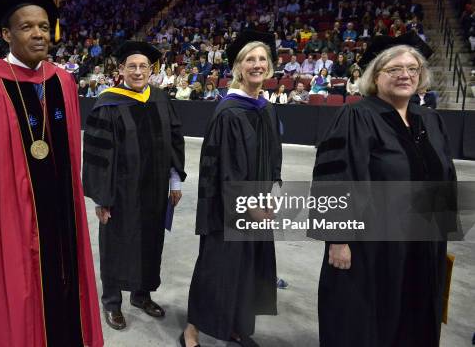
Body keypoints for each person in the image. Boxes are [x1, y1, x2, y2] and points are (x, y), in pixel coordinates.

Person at [0, 0, 103, 347]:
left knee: (66, 284)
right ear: (6, 34)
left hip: (63, 212)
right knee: (21, 288)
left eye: (44, 27)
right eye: (27, 26)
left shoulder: (62, 81)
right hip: (14, 213)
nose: (38, 34)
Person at [310, 33, 456, 347]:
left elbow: (446, 178)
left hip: (423, 243)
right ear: (376, 76)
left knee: (416, 316)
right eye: (394, 69)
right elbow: (335, 177)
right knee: (367, 320)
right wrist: (337, 238)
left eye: (413, 68)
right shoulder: (356, 116)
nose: (406, 75)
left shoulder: (430, 121)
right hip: (371, 247)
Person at [182, 30, 282, 347]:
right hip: (227, 209)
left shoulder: (266, 109)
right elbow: (222, 167)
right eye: (249, 59)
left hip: (259, 206)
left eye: (262, 59)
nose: (257, 64)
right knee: (216, 267)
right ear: (238, 67)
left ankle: (236, 325)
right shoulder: (229, 112)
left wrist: (274, 192)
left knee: (246, 267)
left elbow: (273, 158)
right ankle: (192, 330)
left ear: (270, 66)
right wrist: (247, 204)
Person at [82, 40, 186, 331]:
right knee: (116, 244)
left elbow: (175, 142)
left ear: (151, 70)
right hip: (120, 192)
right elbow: (97, 156)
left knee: (151, 243)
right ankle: (112, 302)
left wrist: (175, 181)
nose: (138, 72)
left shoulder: (161, 99)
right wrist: (101, 199)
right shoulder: (108, 104)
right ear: (121, 69)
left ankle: (142, 295)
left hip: (154, 190)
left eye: (143, 66)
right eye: (132, 66)